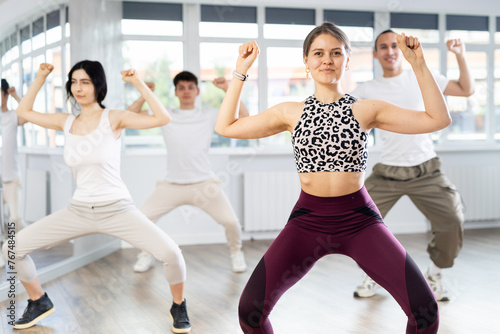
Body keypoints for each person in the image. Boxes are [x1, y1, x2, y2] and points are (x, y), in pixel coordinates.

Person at [216, 22, 450, 334]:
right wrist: (240, 71)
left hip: (360, 221)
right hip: (307, 222)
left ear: (347, 60)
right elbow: (226, 127)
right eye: (319, 53)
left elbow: (438, 118)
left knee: (425, 311)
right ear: (307, 61)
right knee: (250, 311)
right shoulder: (290, 112)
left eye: (336, 53)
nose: (327, 59)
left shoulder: (365, 109)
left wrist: (418, 64)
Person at [2, 61, 191, 333]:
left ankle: (178, 305)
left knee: (171, 254)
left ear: (98, 86)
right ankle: (38, 301)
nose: (78, 88)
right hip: (77, 210)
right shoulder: (65, 122)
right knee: (12, 248)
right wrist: (41, 77)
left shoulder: (114, 118)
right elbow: (24, 111)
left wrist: (138, 83)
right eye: (74, 82)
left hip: (117, 209)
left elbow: (162, 118)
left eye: (85, 82)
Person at [351, 29, 472, 302]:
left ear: (402, 50)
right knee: (357, 224)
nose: (390, 51)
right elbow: (338, 108)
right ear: (375, 54)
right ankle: (373, 275)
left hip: (426, 170)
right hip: (386, 174)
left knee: (453, 220)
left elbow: (466, 90)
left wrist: (460, 55)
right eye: (383, 46)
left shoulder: (422, 78)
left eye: (394, 45)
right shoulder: (367, 89)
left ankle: (435, 274)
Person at [127, 71, 248, 273]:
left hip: (204, 185)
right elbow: (129, 117)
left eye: (190, 87)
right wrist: (144, 93)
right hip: (171, 185)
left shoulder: (208, 114)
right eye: (181, 88)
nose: (186, 92)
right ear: (175, 92)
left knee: (231, 222)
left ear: (197, 91)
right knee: (141, 219)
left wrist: (227, 88)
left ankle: (236, 253)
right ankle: (146, 254)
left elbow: (244, 117)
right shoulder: (166, 114)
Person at [1, 79, 27, 269]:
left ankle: (25, 242)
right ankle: (4, 254)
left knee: (15, 218)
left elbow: (27, 115)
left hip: (11, 177)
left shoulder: (12, 116)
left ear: (5, 94)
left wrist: (17, 95)